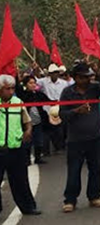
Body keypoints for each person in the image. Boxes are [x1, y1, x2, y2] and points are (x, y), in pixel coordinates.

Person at [59, 62, 100, 213]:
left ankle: (94, 197)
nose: (88, 80)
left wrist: (99, 73)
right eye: (84, 77)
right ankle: (70, 200)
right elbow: (62, 115)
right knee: (74, 170)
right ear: (76, 78)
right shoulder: (67, 93)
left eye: (89, 76)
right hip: (75, 139)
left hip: (95, 137)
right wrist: (77, 111)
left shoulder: (94, 88)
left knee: (95, 169)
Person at [0, 75, 41, 216]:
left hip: (16, 148)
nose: (10, 92)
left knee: (21, 181)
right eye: (7, 89)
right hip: (0, 149)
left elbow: (27, 121)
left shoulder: (18, 102)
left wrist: (28, 131)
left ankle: (28, 207)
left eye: (12, 88)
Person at [36, 63, 69, 156]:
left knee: (59, 129)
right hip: (47, 108)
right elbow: (34, 82)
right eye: (52, 73)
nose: (54, 74)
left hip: (59, 107)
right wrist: (35, 70)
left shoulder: (63, 83)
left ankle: (59, 147)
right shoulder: (43, 82)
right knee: (47, 130)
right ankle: (45, 150)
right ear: (49, 74)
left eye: (56, 73)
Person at [18, 76, 50, 164]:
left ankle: (38, 158)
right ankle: (27, 159)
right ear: (25, 84)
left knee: (39, 141)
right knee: (27, 141)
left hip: (38, 121)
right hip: (27, 122)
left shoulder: (39, 94)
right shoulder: (22, 95)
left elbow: (48, 101)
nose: (33, 85)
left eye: (34, 83)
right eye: (30, 83)